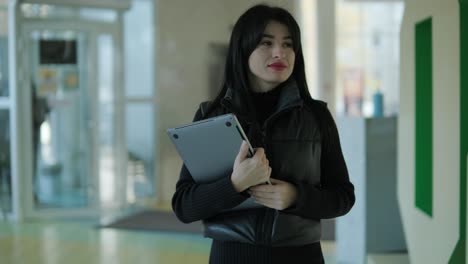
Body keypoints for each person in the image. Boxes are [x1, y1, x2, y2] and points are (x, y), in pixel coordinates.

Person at [172, 4, 355, 264]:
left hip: (301, 257)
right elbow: (184, 206)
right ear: (243, 49)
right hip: (230, 257)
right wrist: (234, 185)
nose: (280, 52)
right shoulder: (211, 116)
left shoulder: (316, 116)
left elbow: (343, 197)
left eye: (288, 44)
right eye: (266, 43)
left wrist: (296, 197)